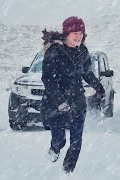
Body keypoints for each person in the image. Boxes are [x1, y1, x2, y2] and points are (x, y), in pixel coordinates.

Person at [41, 16, 105, 173]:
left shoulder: (83, 51)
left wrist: (99, 87)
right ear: (66, 34)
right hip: (55, 103)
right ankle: (54, 149)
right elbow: (48, 79)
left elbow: (87, 73)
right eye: (74, 32)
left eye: (81, 32)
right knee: (60, 139)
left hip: (77, 101)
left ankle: (67, 172)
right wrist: (60, 101)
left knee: (76, 141)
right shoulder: (54, 51)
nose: (78, 36)